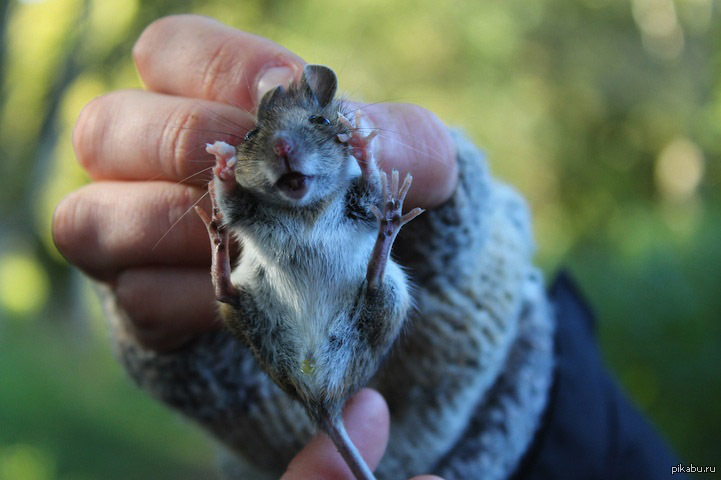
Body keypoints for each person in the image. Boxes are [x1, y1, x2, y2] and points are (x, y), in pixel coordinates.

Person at [53, 14, 683, 480]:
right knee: (241, 291)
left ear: (339, 135)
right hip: (304, 344)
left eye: (311, 132)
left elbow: (361, 189)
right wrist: (222, 201)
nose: (284, 148)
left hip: (357, 346)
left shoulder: (353, 171)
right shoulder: (248, 195)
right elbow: (241, 210)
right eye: (263, 140)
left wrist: (497, 374)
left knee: (390, 286)